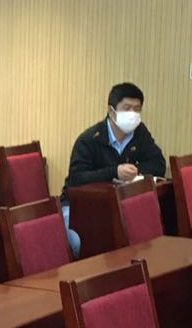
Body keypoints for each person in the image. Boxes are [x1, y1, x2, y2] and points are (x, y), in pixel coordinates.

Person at [57, 82, 166, 256]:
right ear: (111, 110)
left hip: (118, 206)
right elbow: (77, 179)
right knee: (82, 243)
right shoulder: (89, 139)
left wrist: (136, 170)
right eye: (127, 108)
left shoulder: (140, 133)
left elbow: (159, 164)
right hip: (79, 207)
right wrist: (114, 172)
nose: (132, 114)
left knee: (142, 239)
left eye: (137, 109)